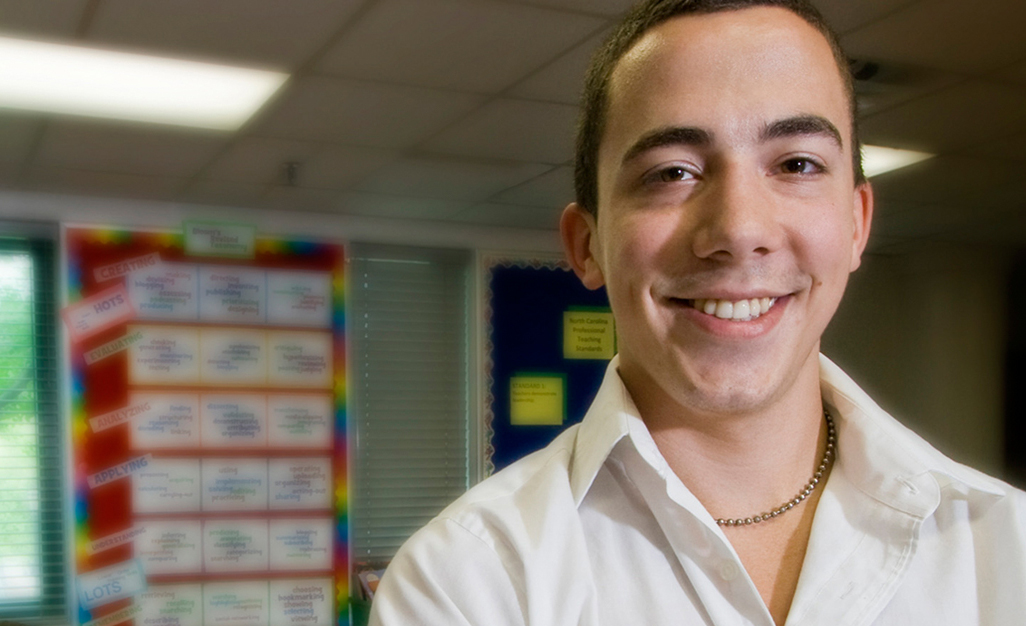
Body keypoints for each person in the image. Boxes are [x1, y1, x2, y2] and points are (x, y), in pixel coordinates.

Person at [369, 0, 1026, 624]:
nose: (739, 229)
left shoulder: (1004, 548)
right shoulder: (468, 585)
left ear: (856, 226)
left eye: (797, 163)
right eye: (671, 172)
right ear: (588, 244)